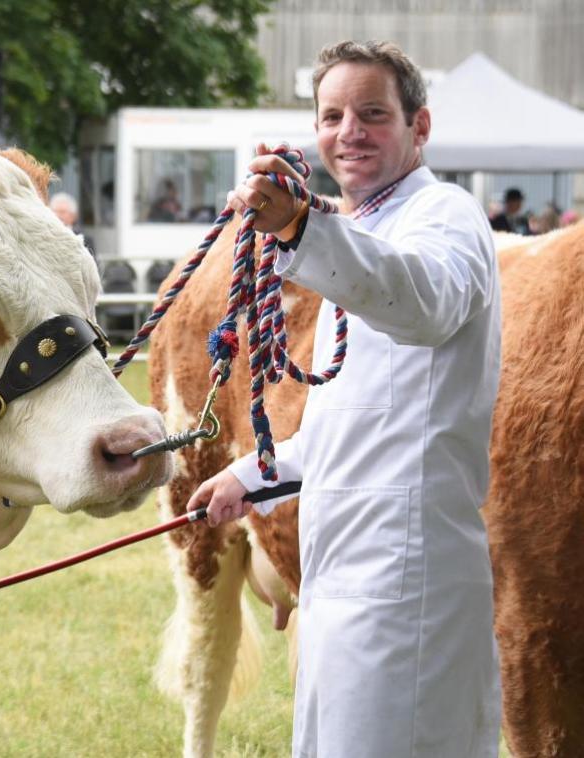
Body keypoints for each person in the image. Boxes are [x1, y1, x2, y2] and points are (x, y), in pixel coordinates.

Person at [186, 40, 501, 757]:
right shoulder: (362, 231)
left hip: (406, 575)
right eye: (331, 116)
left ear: (419, 127)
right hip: (344, 572)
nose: (348, 132)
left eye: (372, 114)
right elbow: (356, 421)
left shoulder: (444, 217)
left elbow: (423, 302)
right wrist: (248, 476)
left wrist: (301, 226)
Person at [49, 191, 95, 258]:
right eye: (55, 211)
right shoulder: (44, 236)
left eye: (62, 212)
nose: (58, 215)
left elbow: (92, 266)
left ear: (73, 216)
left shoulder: (85, 241)